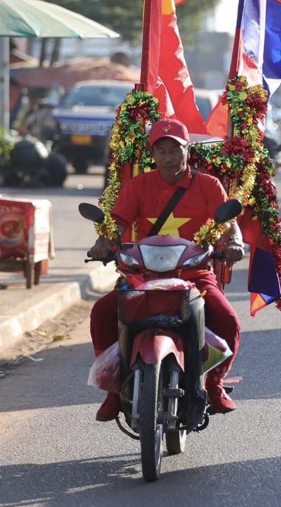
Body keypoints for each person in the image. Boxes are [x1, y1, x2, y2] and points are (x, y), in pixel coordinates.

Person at [88, 118, 245, 420]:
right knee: (102, 313)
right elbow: (117, 224)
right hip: (143, 276)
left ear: (188, 150)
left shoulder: (208, 185)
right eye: (161, 151)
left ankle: (215, 384)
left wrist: (235, 243)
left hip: (193, 275)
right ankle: (113, 389)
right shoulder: (138, 186)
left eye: (176, 149)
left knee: (228, 320)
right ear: (153, 154)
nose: (169, 157)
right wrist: (102, 244)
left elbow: (229, 224)